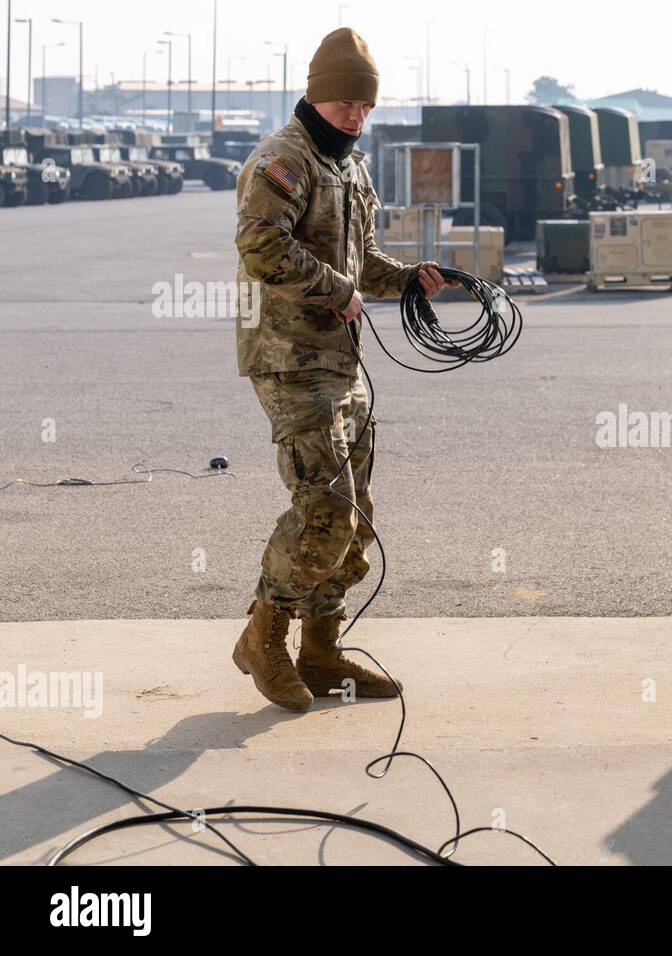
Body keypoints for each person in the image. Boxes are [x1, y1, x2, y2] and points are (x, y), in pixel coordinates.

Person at [231, 27, 450, 711]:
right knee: (324, 510)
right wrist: (337, 291)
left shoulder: (349, 166)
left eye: (366, 107)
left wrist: (407, 278)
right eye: (346, 105)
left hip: (340, 362)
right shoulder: (284, 159)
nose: (357, 118)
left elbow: (361, 264)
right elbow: (260, 246)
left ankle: (321, 652)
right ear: (317, 96)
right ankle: (263, 637)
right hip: (291, 360)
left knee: (355, 516)